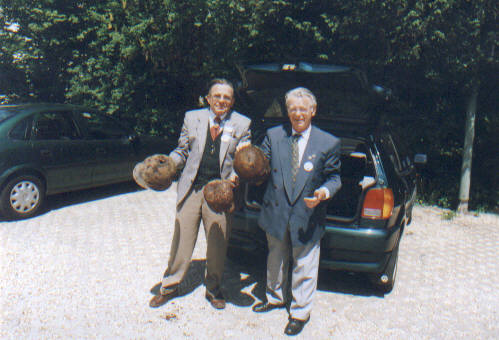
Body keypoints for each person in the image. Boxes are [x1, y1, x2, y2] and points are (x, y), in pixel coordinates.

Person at [149, 78, 251, 310]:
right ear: (208, 99)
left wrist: (235, 176)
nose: (221, 101)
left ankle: (213, 288)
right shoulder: (191, 118)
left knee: (217, 243)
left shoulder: (242, 123)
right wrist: (167, 165)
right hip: (192, 188)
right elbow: (182, 150)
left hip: (220, 193)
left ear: (233, 101)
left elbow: (243, 159)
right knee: (181, 240)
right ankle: (170, 286)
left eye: (227, 97)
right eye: (217, 96)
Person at [252, 87, 341, 335]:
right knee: (276, 258)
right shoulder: (273, 135)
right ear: (287, 112)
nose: (298, 114)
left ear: (313, 111)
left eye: (303, 109)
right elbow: (260, 164)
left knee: (305, 263)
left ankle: (300, 312)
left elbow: (334, 178)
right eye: (293, 109)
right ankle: (274, 297)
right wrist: (247, 157)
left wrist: (324, 193)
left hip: (307, 213)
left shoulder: (329, 142)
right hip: (277, 210)